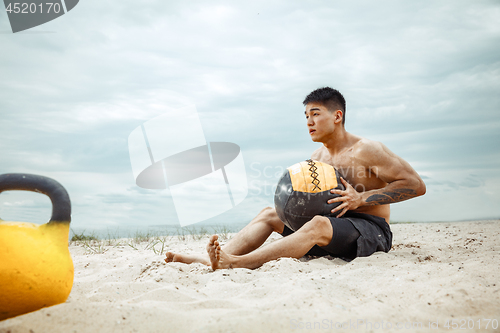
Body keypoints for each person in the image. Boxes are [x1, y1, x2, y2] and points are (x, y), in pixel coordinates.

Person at [165, 87, 426, 270]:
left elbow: (415, 185)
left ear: (337, 116)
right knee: (270, 214)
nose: (309, 121)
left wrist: (361, 199)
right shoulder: (317, 156)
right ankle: (217, 258)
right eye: (306, 116)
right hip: (336, 229)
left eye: (315, 114)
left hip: (372, 233)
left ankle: (236, 263)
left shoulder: (367, 149)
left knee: (319, 224)